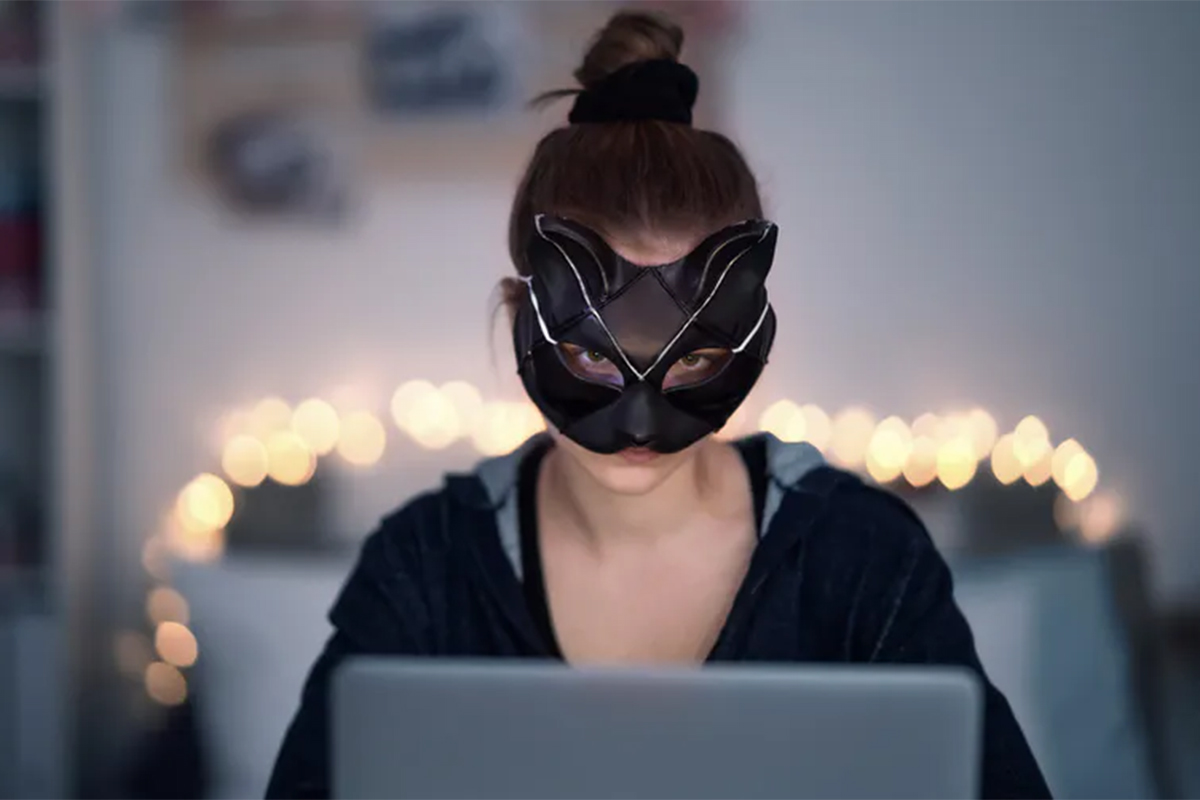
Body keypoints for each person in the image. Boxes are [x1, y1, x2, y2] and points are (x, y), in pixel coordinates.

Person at [266, 11, 1051, 800]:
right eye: (591, 358)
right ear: (519, 320)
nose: (639, 429)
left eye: (697, 360)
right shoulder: (425, 570)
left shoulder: (861, 563)